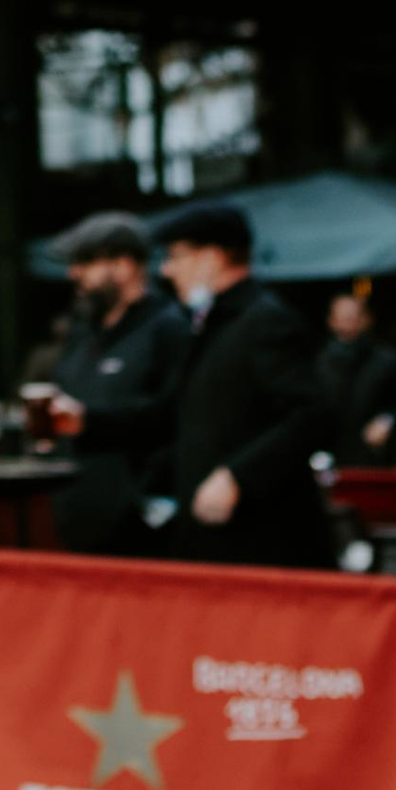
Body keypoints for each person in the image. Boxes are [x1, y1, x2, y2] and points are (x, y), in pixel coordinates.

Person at [153, 208, 332, 568]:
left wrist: (238, 476)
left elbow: (313, 415)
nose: (166, 270)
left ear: (212, 257)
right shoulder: (212, 322)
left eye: (176, 256)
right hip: (213, 538)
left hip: (261, 540)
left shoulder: (265, 320)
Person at [43, 214, 189, 556]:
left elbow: (176, 415)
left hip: (141, 528)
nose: (73, 274)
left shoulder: (168, 328)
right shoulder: (84, 333)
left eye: (84, 262)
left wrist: (91, 422)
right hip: (76, 516)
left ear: (124, 266)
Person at [316, 287, 396, 467]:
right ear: (331, 321)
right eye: (344, 317)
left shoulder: (388, 361)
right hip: (333, 457)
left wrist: (388, 420)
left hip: (377, 459)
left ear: (366, 319)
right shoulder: (319, 363)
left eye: (355, 317)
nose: (350, 323)